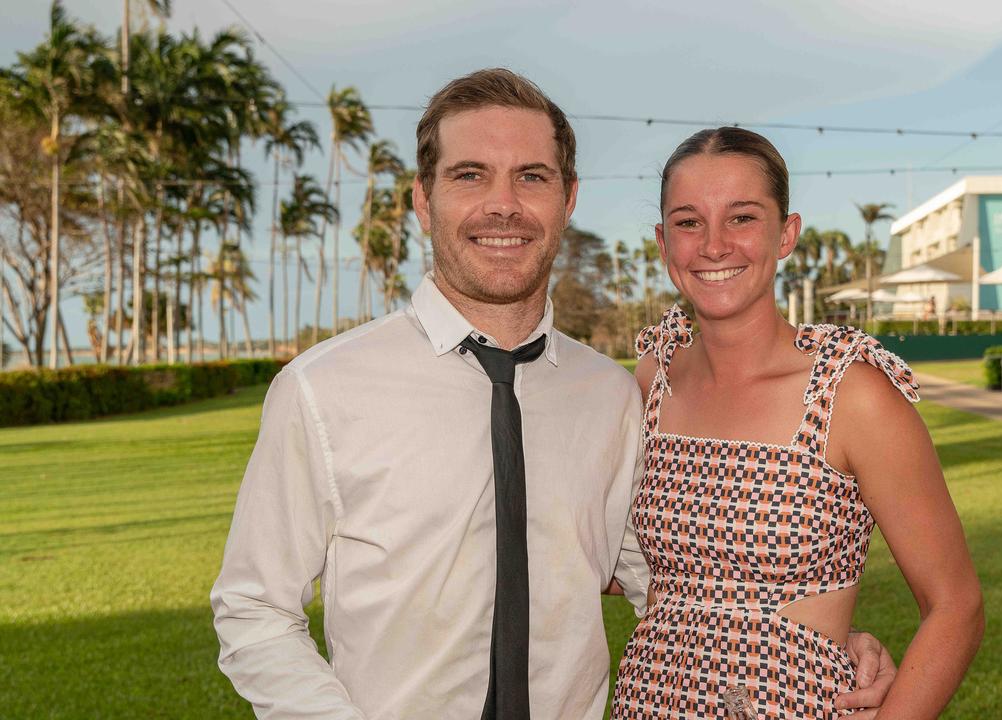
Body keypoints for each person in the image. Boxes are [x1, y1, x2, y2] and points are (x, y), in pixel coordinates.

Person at [211, 69, 894, 720]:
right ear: (424, 199)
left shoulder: (612, 395)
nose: (502, 204)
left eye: (530, 176)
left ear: (567, 197)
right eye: (469, 175)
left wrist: (811, 640)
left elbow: (660, 570)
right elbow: (254, 607)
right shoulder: (324, 388)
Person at [611, 128, 984, 719]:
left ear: (786, 234)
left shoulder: (850, 394)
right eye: (688, 222)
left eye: (742, 218)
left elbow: (956, 605)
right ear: (662, 242)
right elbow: (603, 555)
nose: (714, 245)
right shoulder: (651, 379)